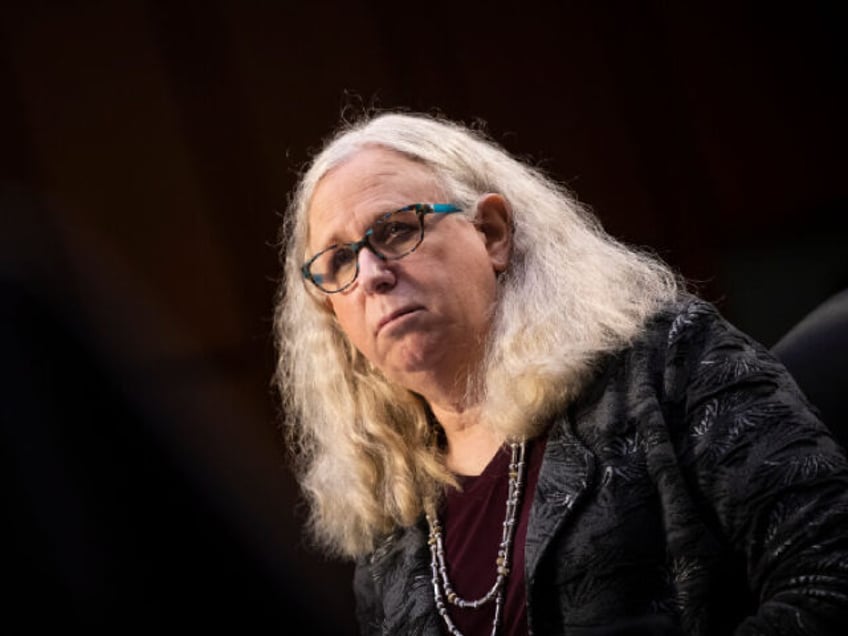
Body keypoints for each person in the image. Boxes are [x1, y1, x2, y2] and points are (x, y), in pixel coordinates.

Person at [273, 111, 848, 635]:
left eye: (396, 229)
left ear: (492, 234)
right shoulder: (389, 533)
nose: (370, 273)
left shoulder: (666, 362)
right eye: (340, 259)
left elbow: (829, 578)